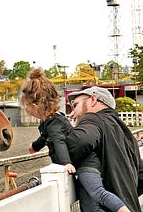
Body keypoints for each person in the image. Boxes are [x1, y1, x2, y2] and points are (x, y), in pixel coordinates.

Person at [21, 69, 130, 212]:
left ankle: (123, 210)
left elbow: (59, 142)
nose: (29, 112)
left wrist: (66, 162)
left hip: (87, 165)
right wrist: (35, 147)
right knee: (90, 205)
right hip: (82, 166)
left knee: (98, 192)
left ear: (34, 107)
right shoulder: (50, 122)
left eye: (28, 109)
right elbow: (44, 138)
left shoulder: (54, 124)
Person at [67, 87, 142, 212]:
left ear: (93, 100)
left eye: (75, 105)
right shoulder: (126, 134)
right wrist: (121, 197)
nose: (72, 113)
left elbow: (77, 144)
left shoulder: (93, 119)